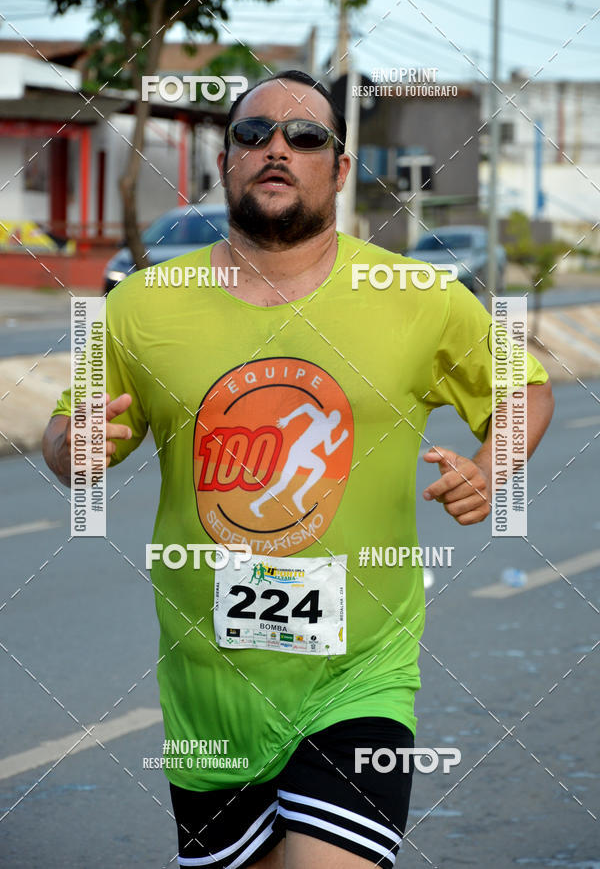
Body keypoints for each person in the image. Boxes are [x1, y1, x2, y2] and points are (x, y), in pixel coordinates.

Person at [43, 69, 554, 869]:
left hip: (361, 675)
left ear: (340, 170)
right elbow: (67, 438)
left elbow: (523, 386)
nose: (277, 148)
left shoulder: (415, 294)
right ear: (225, 162)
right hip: (209, 694)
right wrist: (66, 450)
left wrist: (494, 469)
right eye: (253, 134)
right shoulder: (141, 305)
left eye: (306, 136)